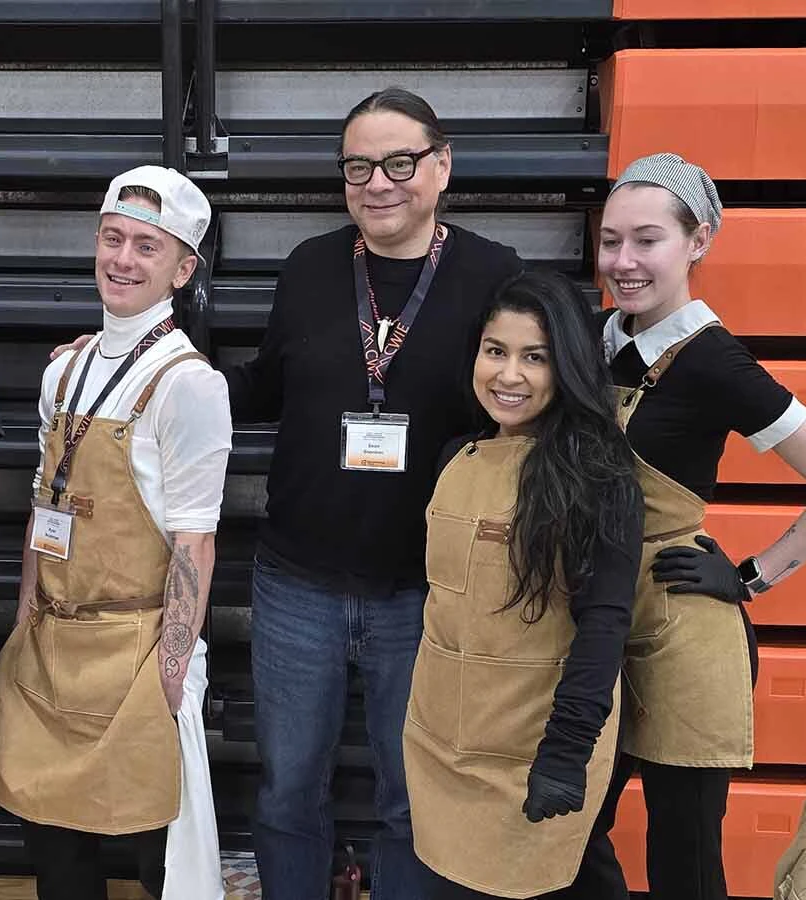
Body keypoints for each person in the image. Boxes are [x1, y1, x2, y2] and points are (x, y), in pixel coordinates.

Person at [233, 88, 523, 899]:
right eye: (358, 167)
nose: (378, 183)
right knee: (289, 792)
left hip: (427, 591)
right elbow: (264, 384)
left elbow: (525, 403)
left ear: (442, 166)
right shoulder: (310, 266)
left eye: (400, 162)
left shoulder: (494, 274)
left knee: (412, 798)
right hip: (298, 583)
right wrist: (147, 370)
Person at [575, 152, 806, 900]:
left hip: (682, 626)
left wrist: (750, 577)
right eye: (611, 241)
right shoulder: (591, 340)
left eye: (647, 240)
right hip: (592, 613)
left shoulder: (716, 361)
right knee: (568, 835)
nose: (623, 262)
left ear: (698, 241)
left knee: (683, 856)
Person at [0, 165, 232, 900]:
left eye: (147, 247)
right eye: (112, 238)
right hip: (54, 647)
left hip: (136, 654)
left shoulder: (189, 385)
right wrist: (26, 621)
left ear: (183, 269)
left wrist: (170, 674)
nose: (123, 259)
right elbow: (43, 506)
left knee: (159, 854)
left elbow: (195, 541)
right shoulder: (63, 373)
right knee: (55, 851)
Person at [403, 270, 641, 899]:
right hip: (441, 747)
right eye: (496, 351)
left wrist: (566, 752)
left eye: (535, 357)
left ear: (567, 366)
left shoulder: (599, 476)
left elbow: (605, 625)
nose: (509, 375)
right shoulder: (456, 457)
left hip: (533, 751)